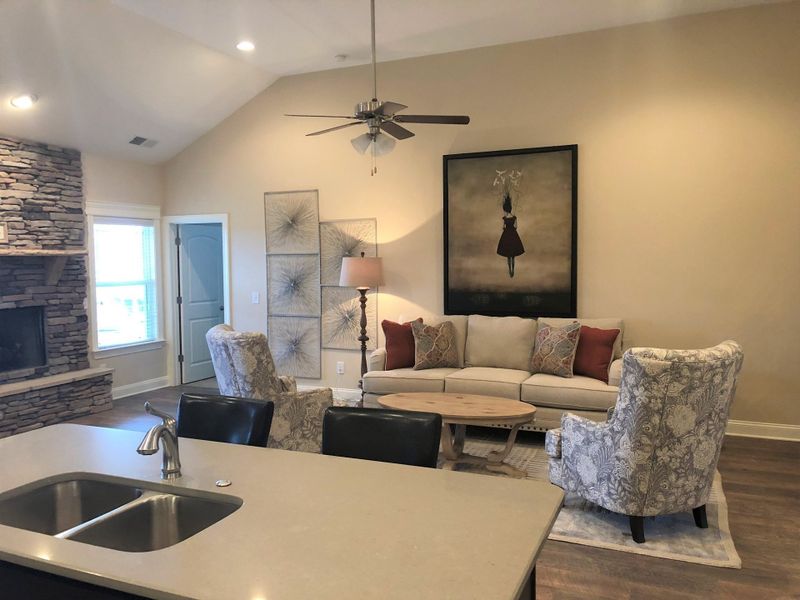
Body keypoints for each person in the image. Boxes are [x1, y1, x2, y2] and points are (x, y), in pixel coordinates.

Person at [496, 193, 525, 277]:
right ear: (510, 208)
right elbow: (516, 227)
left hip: (506, 236)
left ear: (505, 209)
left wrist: (505, 227)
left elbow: (503, 227)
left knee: (508, 255)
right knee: (513, 256)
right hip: (513, 235)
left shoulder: (505, 218)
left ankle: (510, 270)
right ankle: (513, 270)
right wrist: (512, 226)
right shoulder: (514, 217)